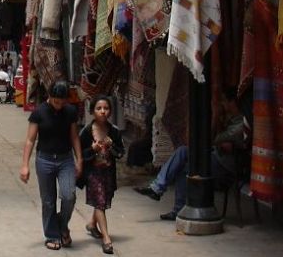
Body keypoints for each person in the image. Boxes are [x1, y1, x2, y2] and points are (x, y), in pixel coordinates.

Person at [134, 87, 245, 220]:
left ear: (232, 102)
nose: (223, 104)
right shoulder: (232, 120)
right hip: (216, 158)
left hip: (224, 167)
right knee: (184, 166)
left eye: (224, 101)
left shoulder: (241, 124)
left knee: (183, 153)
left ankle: (158, 188)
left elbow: (216, 140)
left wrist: (216, 121)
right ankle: (175, 208)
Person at [19, 81, 83, 251]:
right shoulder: (39, 112)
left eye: (62, 102)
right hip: (45, 159)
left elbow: (74, 137)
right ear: (50, 97)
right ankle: (52, 234)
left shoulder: (70, 112)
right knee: (48, 201)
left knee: (69, 195)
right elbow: (30, 140)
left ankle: (62, 225)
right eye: (56, 101)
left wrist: (80, 159)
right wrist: (25, 165)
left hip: (65, 159)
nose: (59, 105)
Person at [80, 96, 124, 255]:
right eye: (99, 108)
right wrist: (93, 150)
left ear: (110, 111)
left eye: (106, 108)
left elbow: (120, 153)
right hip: (93, 173)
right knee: (100, 203)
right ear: (92, 111)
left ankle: (92, 224)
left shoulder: (114, 131)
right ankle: (106, 239)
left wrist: (111, 146)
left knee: (104, 200)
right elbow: (80, 154)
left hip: (108, 172)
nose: (103, 111)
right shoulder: (86, 132)